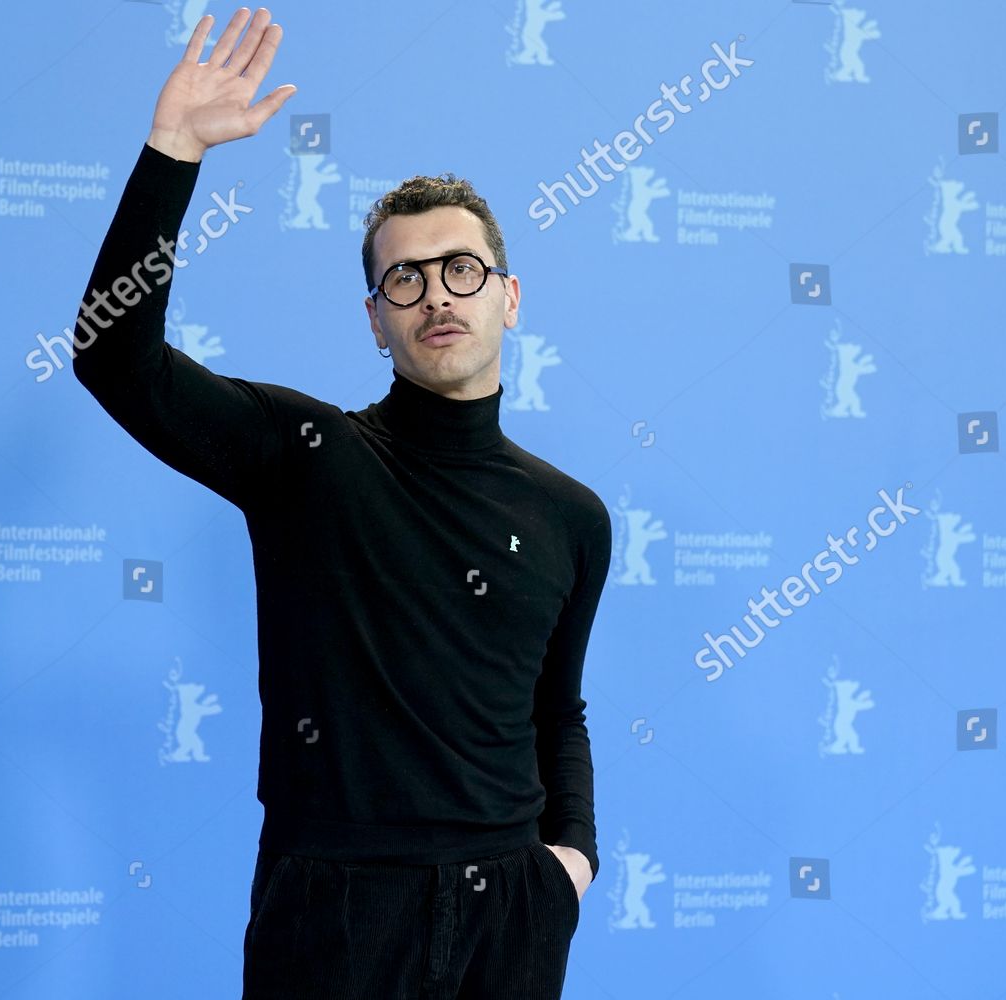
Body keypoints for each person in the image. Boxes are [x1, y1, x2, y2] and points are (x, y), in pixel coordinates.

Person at [74, 8, 613, 997]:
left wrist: (570, 859)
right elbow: (117, 359)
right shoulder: (309, 454)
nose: (438, 296)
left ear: (509, 295)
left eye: (462, 270)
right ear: (375, 320)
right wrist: (174, 152)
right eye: (403, 280)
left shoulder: (571, 515)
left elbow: (558, 709)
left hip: (515, 915)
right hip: (337, 908)